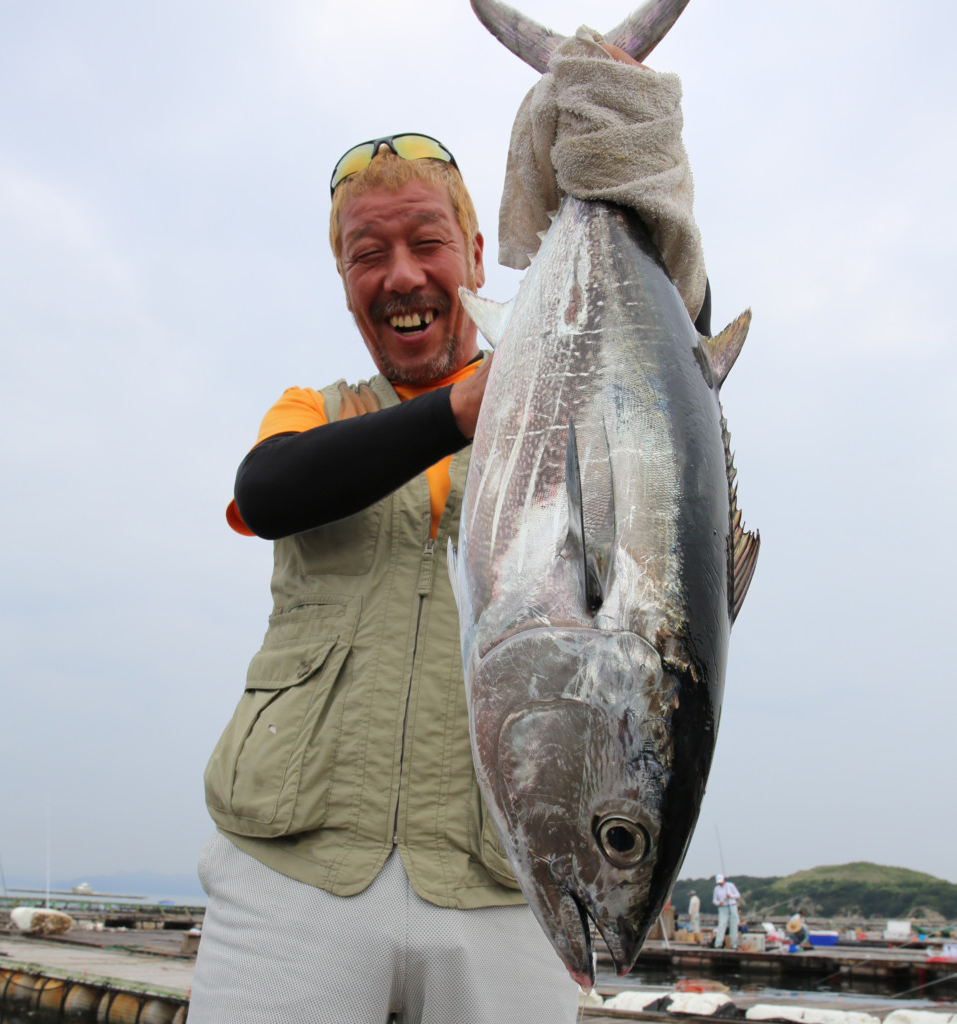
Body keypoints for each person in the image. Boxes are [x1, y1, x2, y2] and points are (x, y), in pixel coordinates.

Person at [187, 32, 710, 1024]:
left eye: (427, 242)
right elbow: (267, 493)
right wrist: (461, 411)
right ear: (342, 278)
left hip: (507, 881)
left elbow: (668, 393)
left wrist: (634, 172)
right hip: (294, 871)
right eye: (365, 254)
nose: (400, 275)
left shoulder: (584, 409)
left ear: (476, 254)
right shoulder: (317, 410)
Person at [712, 874, 742, 950]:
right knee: (721, 925)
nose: (720, 883)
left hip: (732, 906)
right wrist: (718, 903)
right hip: (722, 908)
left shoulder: (730, 885)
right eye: (718, 882)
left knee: (734, 925)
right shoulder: (716, 889)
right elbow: (714, 900)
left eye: (721, 882)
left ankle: (733, 944)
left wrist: (730, 896)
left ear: (724, 880)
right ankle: (718, 944)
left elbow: (738, 895)